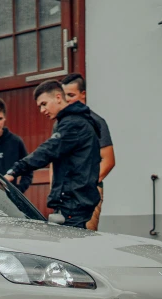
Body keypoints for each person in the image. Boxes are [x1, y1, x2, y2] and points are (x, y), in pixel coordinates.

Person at [4, 80, 101, 229]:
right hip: (75, 202)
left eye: (44, 104)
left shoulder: (73, 124)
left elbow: (47, 150)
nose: (42, 110)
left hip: (73, 204)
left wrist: (16, 170)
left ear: (57, 97)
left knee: (70, 249)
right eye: (39, 107)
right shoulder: (77, 121)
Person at [61, 73, 116, 231]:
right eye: (64, 96)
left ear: (83, 95)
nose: (67, 100)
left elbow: (108, 161)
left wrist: (84, 185)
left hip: (88, 193)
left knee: (86, 239)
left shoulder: (97, 122)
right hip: (64, 194)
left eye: (71, 95)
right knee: (62, 238)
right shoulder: (60, 125)